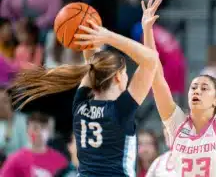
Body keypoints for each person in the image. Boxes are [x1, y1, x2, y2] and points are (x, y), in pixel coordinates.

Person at [10, 19, 159, 176]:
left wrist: (91, 35)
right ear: (117, 77)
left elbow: (92, 65)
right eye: (125, 73)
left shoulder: (81, 106)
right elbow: (151, 59)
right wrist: (107, 36)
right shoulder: (120, 109)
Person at [141, 0, 216, 176]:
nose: (196, 91)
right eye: (193, 87)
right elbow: (157, 79)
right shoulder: (177, 124)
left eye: (204, 88)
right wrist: (147, 30)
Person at [0, 111, 68, 177]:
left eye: (43, 128)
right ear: (27, 131)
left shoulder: (60, 160)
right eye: (35, 128)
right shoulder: (15, 160)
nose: (39, 132)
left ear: (49, 131)